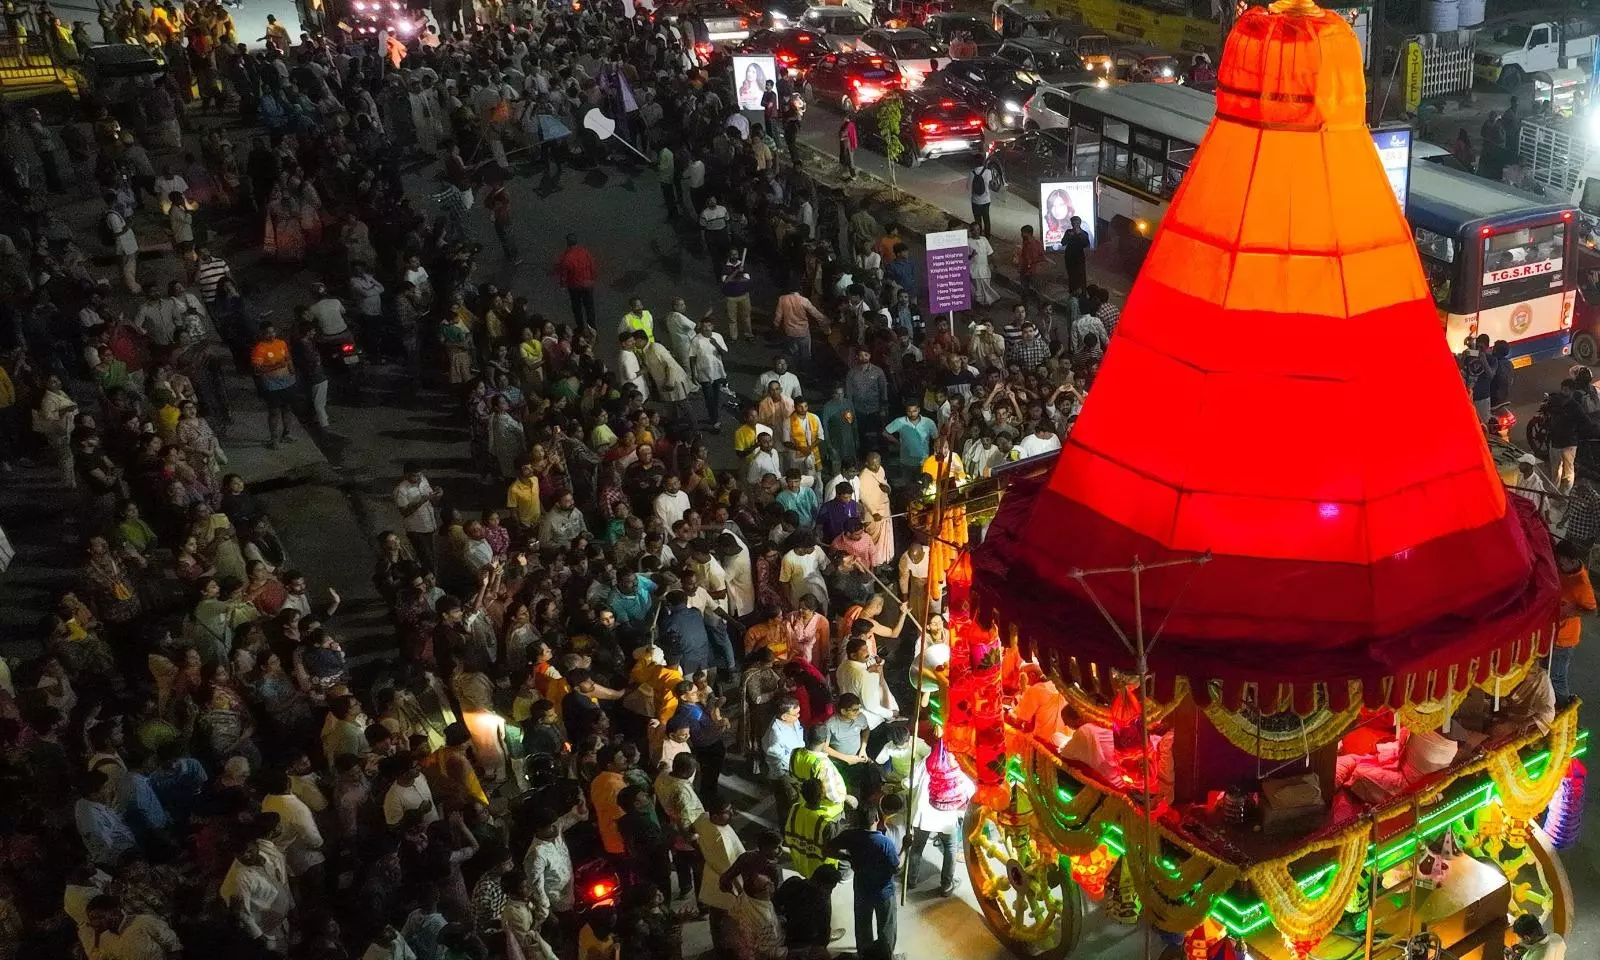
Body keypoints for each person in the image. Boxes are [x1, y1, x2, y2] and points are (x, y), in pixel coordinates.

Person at [827, 813, 901, 957]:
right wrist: (905, 848)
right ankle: (885, 956)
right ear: (876, 819)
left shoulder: (850, 836)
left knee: (862, 925)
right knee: (886, 927)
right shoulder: (885, 842)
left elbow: (828, 849)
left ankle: (865, 955)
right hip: (883, 891)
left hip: (862, 888)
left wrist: (848, 858)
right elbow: (897, 867)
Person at [1553, 540, 1592, 705]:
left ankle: (1563, 707)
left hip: (1564, 640)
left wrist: (1572, 611)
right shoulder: (1565, 570)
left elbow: (1592, 612)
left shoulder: (1581, 584)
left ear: (1572, 561)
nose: (1559, 565)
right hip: (1553, 634)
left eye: (1561, 562)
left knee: (1556, 677)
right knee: (1545, 673)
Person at [250, 322, 297, 449]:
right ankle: (274, 439)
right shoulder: (259, 349)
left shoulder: (281, 343)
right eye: (268, 333)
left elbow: (288, 359)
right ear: (262, 334)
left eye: (273, 332)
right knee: (274, 412)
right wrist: (277, 366)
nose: (271, 335)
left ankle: (287, 433)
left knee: (287, 409)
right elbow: (258, 370)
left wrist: (292, 371)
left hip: (288, 382)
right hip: (272, 386)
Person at [394, 463, 444, 572]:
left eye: (419, 475)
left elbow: (432, 501)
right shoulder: (401, 490)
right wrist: (420, 501)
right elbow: (405, 512)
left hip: (430, 526)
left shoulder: (423, 481)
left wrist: (438, 495)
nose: (417, 478)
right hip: (417, 530)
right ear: (406, 475)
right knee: (427, 560)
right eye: (414, 475)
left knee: (435, 557)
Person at [1060, 215, 1092, 293]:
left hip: (1079, 258)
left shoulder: (1084, 233)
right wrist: (1069, 236)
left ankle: (1082, 294)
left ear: (1079, 223)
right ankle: (1072, 294)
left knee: (1081, 276)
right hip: (1069, 257)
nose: (1074, 224)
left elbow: (1087, 244)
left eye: (1076, 223)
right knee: (1071, 276)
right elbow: (1063, 243)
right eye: (1073, 223)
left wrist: (1079, 235)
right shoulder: (1068, 232)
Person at [838, 115, 858, 179]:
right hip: (847, 145)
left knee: (849, 160)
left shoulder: (847, 125)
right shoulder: (850, 125)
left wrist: (842, 137)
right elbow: (853, 135)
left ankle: (852, 175)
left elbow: (843, 134)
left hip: (847, 145)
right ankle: (850, 174)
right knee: (848, 159)